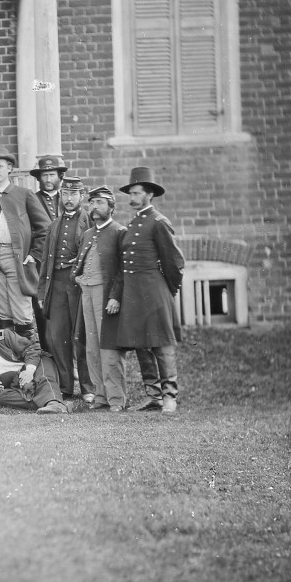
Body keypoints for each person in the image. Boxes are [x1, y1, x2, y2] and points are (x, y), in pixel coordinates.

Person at [115, 167, 184, 412]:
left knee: (161, 345)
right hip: (135, 294)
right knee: (141, 344)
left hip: (155, 292)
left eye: (136, 193)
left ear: (149, 195)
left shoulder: (158, 222)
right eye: (130, 193)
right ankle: (153, 395)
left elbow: (174, 263)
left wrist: (167, 292)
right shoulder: (134, 223)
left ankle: (169, 397)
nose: (131, 198)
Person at [0, 147, 51, 338]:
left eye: (0, 166)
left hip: (18, 258)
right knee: (1, 310)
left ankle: (29, 357)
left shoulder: (24, 195)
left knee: (21, 310)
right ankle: (8, 355)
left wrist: (33, 255)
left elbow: (45, 228)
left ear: (9, 168)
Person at [73, 185, 128, 411]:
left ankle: (116, 399)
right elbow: (80, 262)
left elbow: (123, 270)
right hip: (86, 292)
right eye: (92, 203)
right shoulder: (88, 233)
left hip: (106, 296)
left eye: (100, 203)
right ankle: (100, 396)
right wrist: (77, 277)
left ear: (111, 207)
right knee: (92, 346)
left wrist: (115, 297)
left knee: (109, 347)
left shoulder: (119, 232)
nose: (94, 207)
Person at [37, 175, 91, 399]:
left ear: (82, 196)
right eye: (66, 194)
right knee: (58, 338)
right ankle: (66, 387)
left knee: (81, 337)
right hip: (56, 286)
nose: (69, 199)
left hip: (78, 286)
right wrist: (42, 292)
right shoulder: (54, 225)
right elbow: (45, 263)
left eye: (74, 194)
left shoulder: (88, 222)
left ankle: (89, 389)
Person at [0, 310, 69, 414]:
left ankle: (54, 403)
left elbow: (31, 348)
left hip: (32, 371)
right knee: (3, 397)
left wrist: (29, 370)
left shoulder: (4, 336)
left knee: (44, 370)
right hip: (11, 385)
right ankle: (53, 402)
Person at [30, 155, 68, 223]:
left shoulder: (65, 199)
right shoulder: (32, 199)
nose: (48, 180)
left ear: (59, 177)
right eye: (45, 175)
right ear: (39, 178)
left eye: (52, 175)